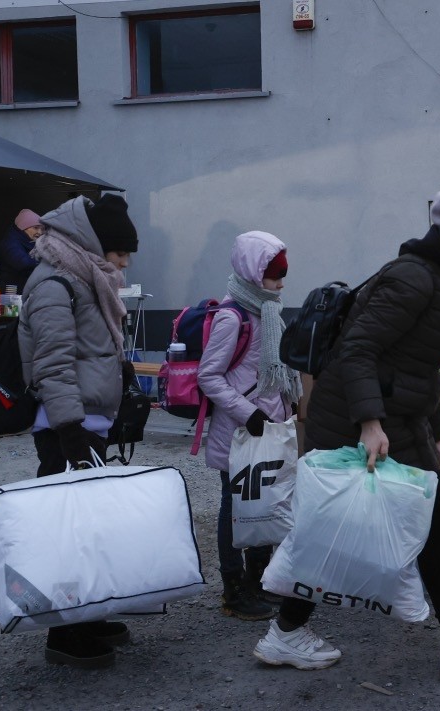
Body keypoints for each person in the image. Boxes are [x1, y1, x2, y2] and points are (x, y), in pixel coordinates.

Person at [253, 190, 440, 678]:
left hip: (397, 416)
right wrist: (370, 424)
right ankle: (286, 633)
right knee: (338, 528)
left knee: (431, 515)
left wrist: (437, 430)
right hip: (356, 417)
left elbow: (422, 367)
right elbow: (357, 351)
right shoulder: (413, 280)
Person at [19, 193, 139, 669]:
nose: (124, 262)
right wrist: (69, 428)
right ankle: (65, 636)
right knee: (67, 534)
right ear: (95, 244)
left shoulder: (84, 275)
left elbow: (91, 346)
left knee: (89, 530)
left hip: (89, 421)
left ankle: (87, 617)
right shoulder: (53, 280)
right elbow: (52, 362)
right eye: (119, 252)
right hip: (66, 427)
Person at [198, 231, 301, 622]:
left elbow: (275, 375)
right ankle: (233, 590)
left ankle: (257, 581)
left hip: (269, 430)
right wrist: (247, 412)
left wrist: (287, 410)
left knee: (267, 507)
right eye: (275, 276)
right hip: (241, 434)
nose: (280, 284)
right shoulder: (232, 316)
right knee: (234, 509)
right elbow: (209, 376)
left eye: (282, 275)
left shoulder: (268, 310)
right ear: (254, 275)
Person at [0, 208, 45, 293]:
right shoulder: (11, 242)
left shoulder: (29, 242)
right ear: (24, 226)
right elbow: (23, 263)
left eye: (42, 229)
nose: (40, 232)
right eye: (36, 228)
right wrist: (45, 262)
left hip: (18, 292)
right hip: (8, 295)